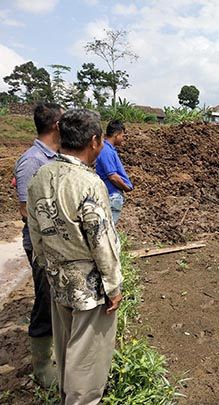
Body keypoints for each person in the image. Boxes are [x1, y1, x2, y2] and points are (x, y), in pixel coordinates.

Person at [26, 109, 123, 405]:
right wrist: (113, 285)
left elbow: (36, 232)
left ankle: (66, 397)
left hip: (57, 281)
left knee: (66, 348)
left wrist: (48, 267)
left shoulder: (40, 176)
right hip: (90, 289)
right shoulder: (88, 183)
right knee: (88, 361)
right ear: (94, 141)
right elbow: (101, 241)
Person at [13, 102, 63, 388]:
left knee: (55, 298)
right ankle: (42, 367)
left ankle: (56, 352)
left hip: (58, 245)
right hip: (42, 245)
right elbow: (25, 209)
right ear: (56, 125)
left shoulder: (55, 157)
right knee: (44, 301)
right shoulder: (32, 161)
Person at [95, 119, 133, 224]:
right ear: (116, 135)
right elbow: (112, 176)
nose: (123, 138)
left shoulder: (109, 149)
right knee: (108, 228)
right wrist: (126, 187)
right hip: (111, 194)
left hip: (113, 195)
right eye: (122, 135)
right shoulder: (106, 151)